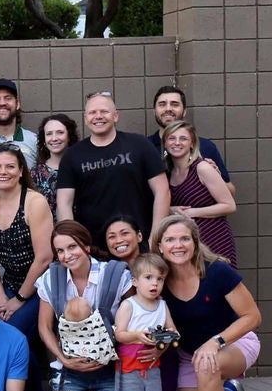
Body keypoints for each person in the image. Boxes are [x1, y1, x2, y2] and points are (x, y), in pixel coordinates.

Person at [152, 215, 260, 391]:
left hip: (234, 343)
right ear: (160, 246)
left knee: (208, 364)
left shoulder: (217, 271)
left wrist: (217, 341)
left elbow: (253, 316)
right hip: (191, 354)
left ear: (195, 242)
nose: (177, 245)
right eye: (170, 240)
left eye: (184, 239)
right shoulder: (159, 280)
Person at [35, 221, 131, 391]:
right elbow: (44, 326)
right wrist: (62, 360)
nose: (67, 255)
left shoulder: (115, 274)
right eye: (60, 251)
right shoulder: (51, 278)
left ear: (86, 246)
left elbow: (135, 315)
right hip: (72, 371)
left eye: (72, 247)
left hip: (107, 369)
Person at [0, 144, 54, 391]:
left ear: (21, 171)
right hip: (8, 283)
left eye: (10, 166)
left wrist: (18, 299)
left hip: (42, 286)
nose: (3, 172)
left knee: (11, 337)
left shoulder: (35, 202)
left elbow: (44, 257)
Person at [57, 92, 169, 242]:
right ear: (85, 119)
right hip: (94, 245)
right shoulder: (72, 155)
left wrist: (155, 237)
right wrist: (74, 241)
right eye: (92, 112)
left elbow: (162, 191)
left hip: (140, 241)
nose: (98, 116)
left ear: (116, 116)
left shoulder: (140, 144)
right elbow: (64, 203)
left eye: (104, 111)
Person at [113, 253, 178, 391]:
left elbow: (171, 330)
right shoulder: (129, 305)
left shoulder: (162, 305)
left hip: (152, 365)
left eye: (160, 279)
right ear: (135, 281)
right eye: (148, 278)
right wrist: (137, 335)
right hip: (131, 366)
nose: (155, 283)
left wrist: (166, 342)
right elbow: (120, 334)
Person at [163, 121, 237, 265]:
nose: (177, 142)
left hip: (215, 239)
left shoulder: (202, 168)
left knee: (220, 285)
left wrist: (192, 212)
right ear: (165, 143)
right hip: (187, 245)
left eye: (183, 138)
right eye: (172, 138)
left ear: (192, 143)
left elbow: (229, 205)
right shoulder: (167, 174)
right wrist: (171, 210)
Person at [147, 85, 234, 195]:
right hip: (159, 212)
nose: (168, 108)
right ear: (154, 111)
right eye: (162, 104)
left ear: (184, 111)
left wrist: (216, 177)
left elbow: (230, 192)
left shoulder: (205, 146)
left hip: (199, 211)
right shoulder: (144, 147)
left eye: (175, 104)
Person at [33, 114, 78, 215]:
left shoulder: (81, 168)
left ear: (69, 136)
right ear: (44, 140)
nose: (54, 138)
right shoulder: (35, 174)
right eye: (49, 134)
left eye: (60, 133)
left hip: (78, 228)